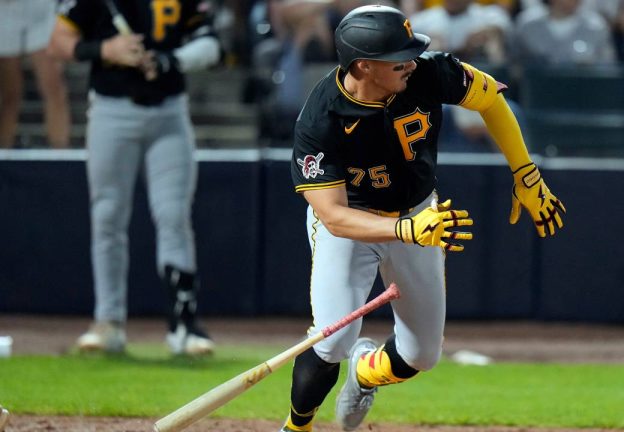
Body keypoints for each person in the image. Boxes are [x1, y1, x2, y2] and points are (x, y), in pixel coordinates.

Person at [284, 5, 565, 432]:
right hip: (354, 226)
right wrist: (403, 230)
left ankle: (365, 372)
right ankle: (297, 426)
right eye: (399, 56)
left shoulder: (428, 73)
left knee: (422, 355)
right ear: (364, 65)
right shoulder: (320, 117)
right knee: (333, 338)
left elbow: (491, 99)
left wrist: (525, 174)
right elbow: (334, 217)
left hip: (418, 213)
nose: (411, 62)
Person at [48, 0, 221, 355]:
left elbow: (211, 44)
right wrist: (102, 49)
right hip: (112, 109)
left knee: (173, 214)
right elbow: (58, 40)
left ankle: (183, 323)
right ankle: (108, 321)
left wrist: (170, 60)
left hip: (169, 111)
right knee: (107, 215)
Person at [0, 0, 70, 148]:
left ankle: (60, 157)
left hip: (40, 10)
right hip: (5, 12)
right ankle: (3, 153)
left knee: (54, 88)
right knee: (10, 95)